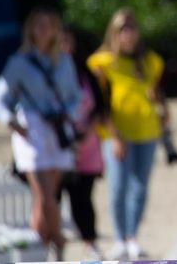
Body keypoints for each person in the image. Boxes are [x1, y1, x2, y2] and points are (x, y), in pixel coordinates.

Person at [0, 7, 80, 260]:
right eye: (38, 25)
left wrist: (68, 114)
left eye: (48, 25)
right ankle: (59, 242)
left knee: (45, 198)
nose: (43, 30)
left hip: (58, 130)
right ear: (30, 29)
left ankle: (38, 247)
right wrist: (12, 123)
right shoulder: (18, 62)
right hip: (32, 130)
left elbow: (76, 96)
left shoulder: (63, 61)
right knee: (44, 194)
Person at [87, 9, 169, 260]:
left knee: (140, 187)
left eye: (132, 28)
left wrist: (164, 111)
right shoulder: (101, 62)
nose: (128, 35)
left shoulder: (149, 61)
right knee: (118, 186)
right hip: (117, 133)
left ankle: (133, 236)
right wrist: (114, 135)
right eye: (123, 29)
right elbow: (99, 104)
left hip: (147, 130)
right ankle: (120, 237)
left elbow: (155, 92)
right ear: (114, 32)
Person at [59, 26, 106, 261]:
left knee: (83, 198)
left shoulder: (84, 71)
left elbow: (100, 105)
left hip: (86, 143)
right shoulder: (47, 72)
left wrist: (88, 129)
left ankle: (90, 243)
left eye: (68, 41)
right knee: (53, 197)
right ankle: (54, 246)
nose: (65, 46)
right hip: (56, 144)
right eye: (60, 41)